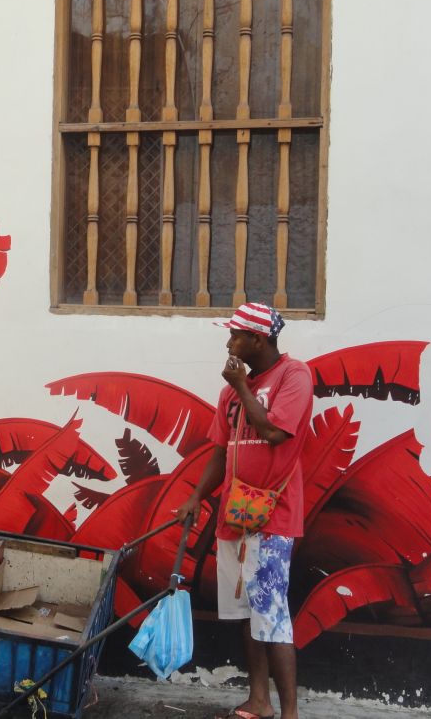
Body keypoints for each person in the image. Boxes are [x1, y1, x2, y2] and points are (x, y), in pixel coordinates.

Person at [175, 302, 312, 719]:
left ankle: (290, 712)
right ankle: (259, 702)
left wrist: (241, 387)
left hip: (273, 518)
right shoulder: (230, 393)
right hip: (234, 517)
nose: (229, 343)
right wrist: (196, 496)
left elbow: (273, 431)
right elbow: (221, 450)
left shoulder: (294, 375)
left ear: (257, 339)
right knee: (246, 615)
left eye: (236, 336)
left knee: (272, 616)